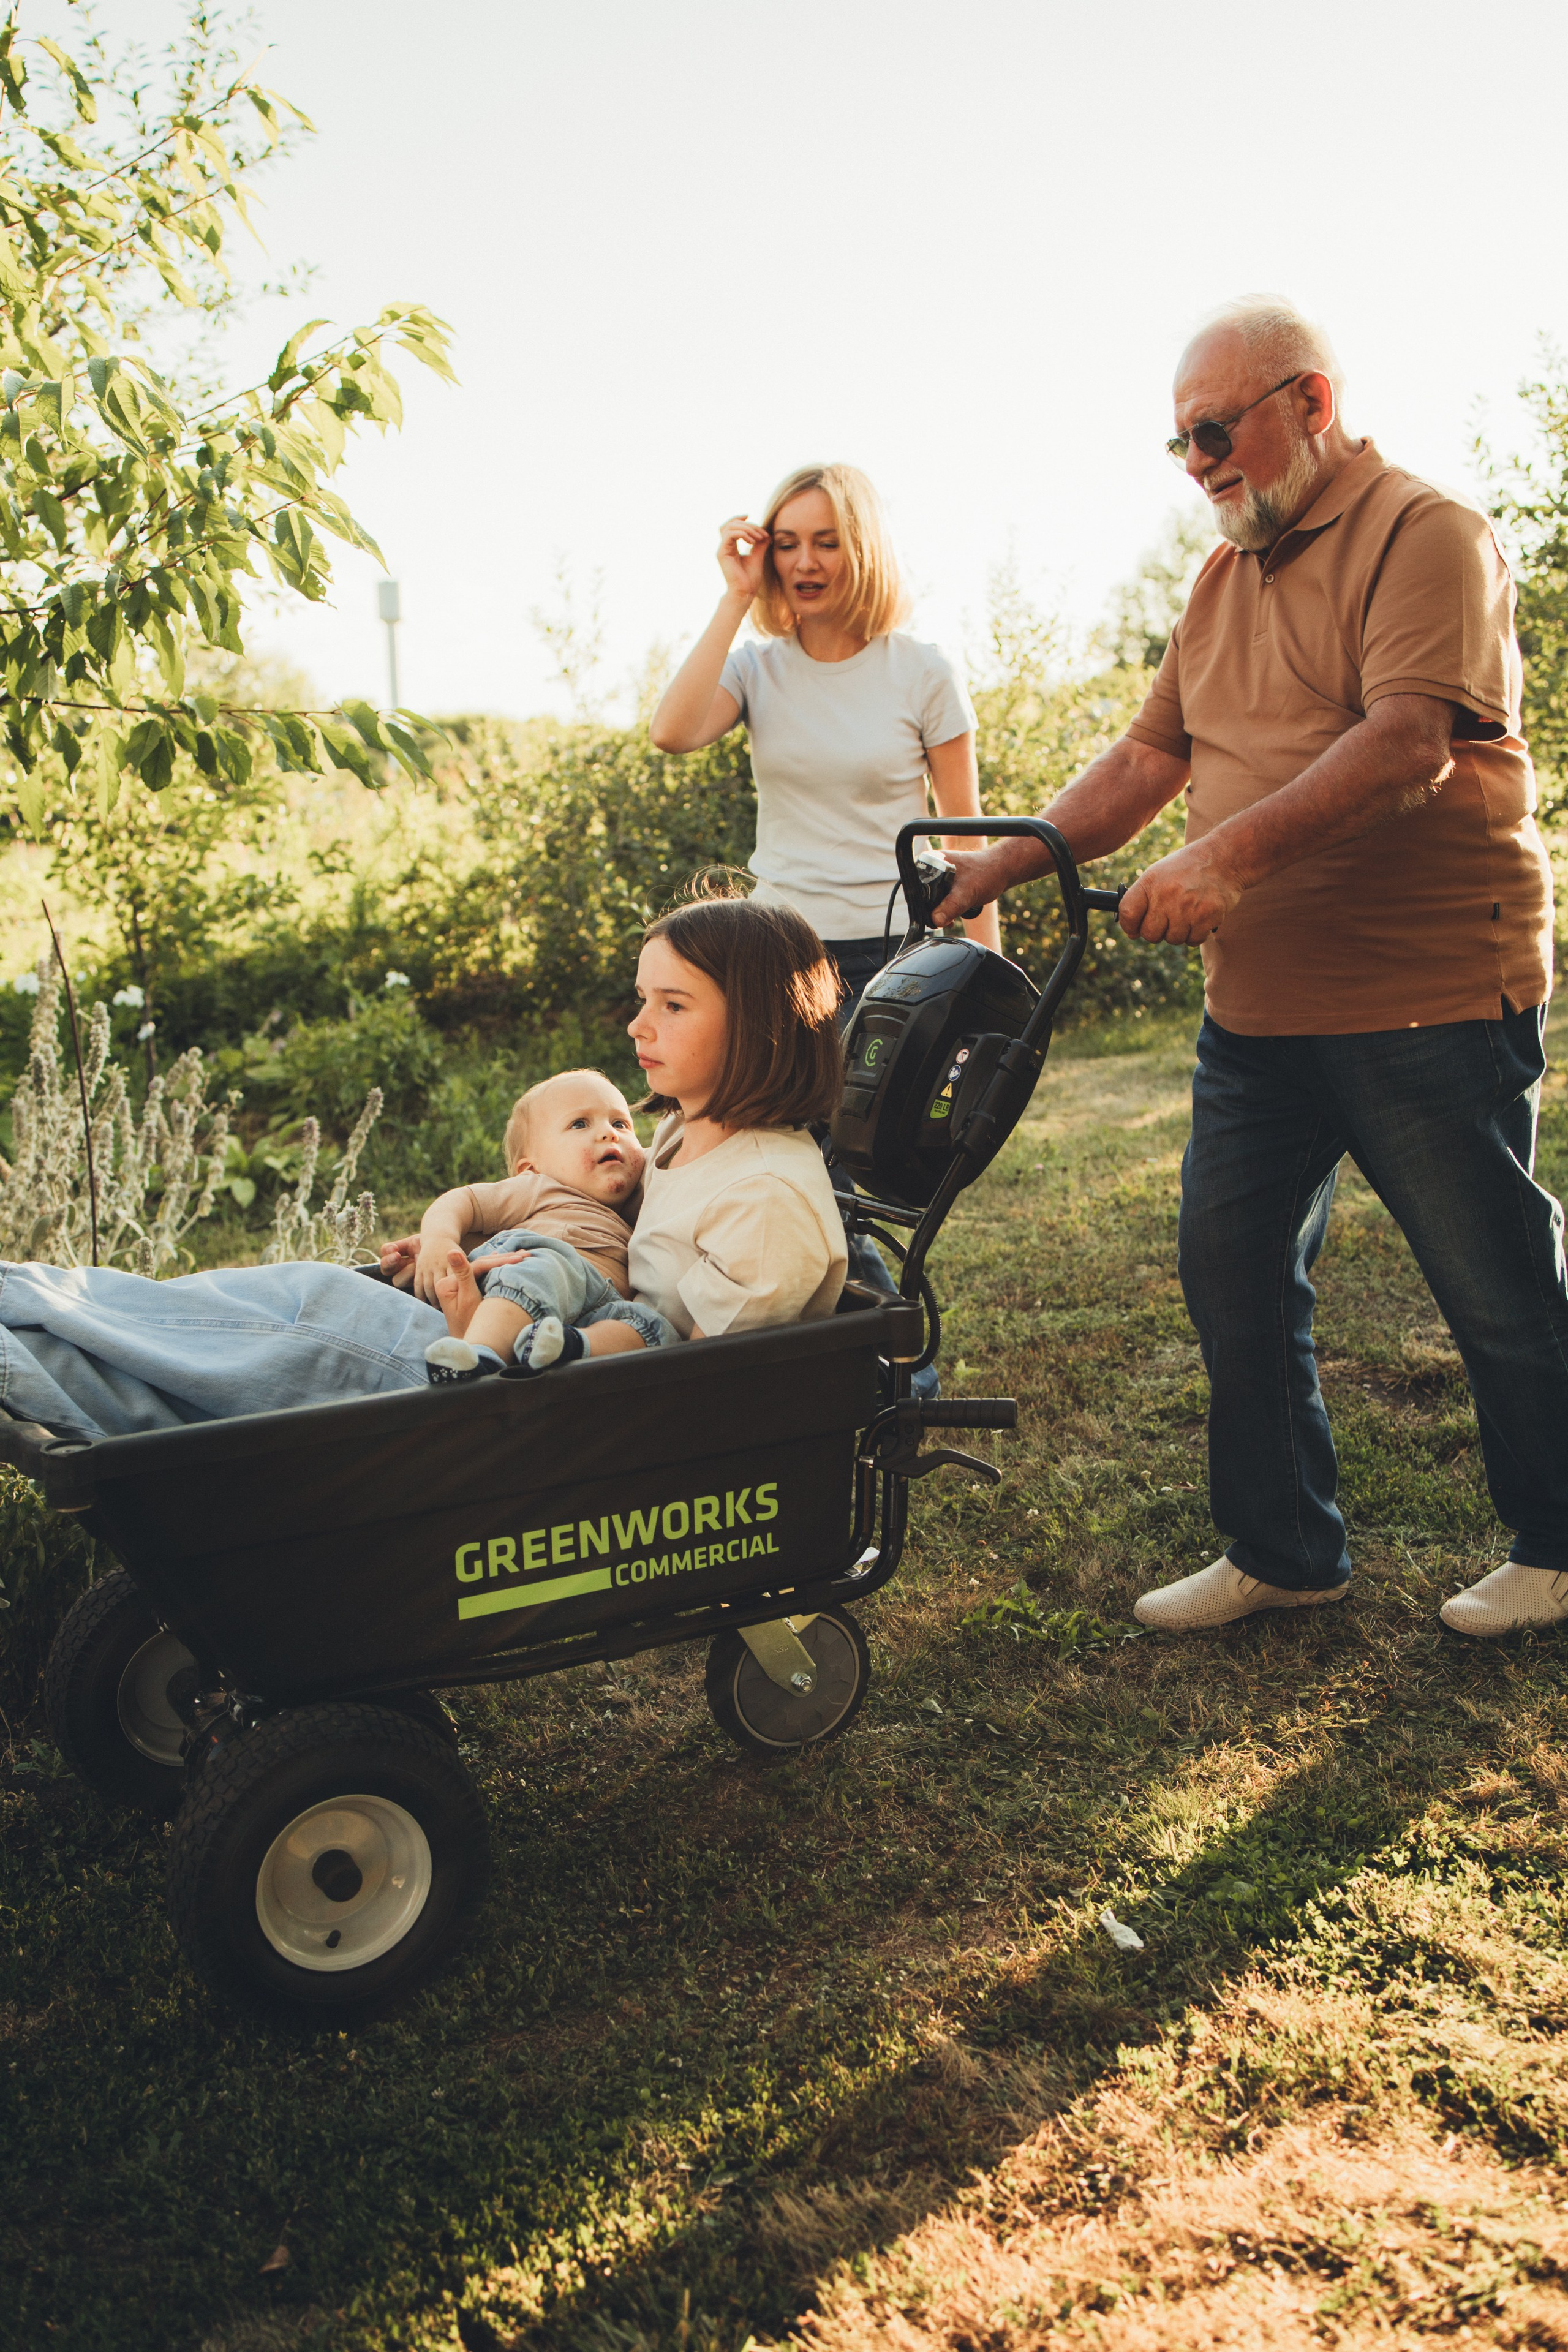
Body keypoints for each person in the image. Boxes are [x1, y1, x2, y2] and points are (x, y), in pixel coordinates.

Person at [934, 295, 1566, 1640]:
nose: (1199, 462)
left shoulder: (1424, 533)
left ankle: (1558, 1542)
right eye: (1177, 444)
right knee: (1230, 1265)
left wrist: (1221, 864)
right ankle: (1282, 1549)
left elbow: (1408, 742)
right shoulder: (1220, 577)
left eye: (1213, 429)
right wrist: (1009, 861)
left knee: (1494, 1280)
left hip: (1426, 994)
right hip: (1260, 1013)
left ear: (1309, 404)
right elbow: (1147, 759)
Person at [0, 897, 848, 1444]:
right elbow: (615, 1242)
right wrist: (490, 1257)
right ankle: (28, 1309)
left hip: (531, 1402)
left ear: (761, 1027)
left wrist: (505, 1316)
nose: (636, 1027)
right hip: (521, 1333)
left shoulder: (767, 1197)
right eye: (641, 999)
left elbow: (699, 1382)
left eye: (672, 1006)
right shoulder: (684, 1134)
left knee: (286, 1342)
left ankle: (24, 1348)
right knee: (281, 1308)